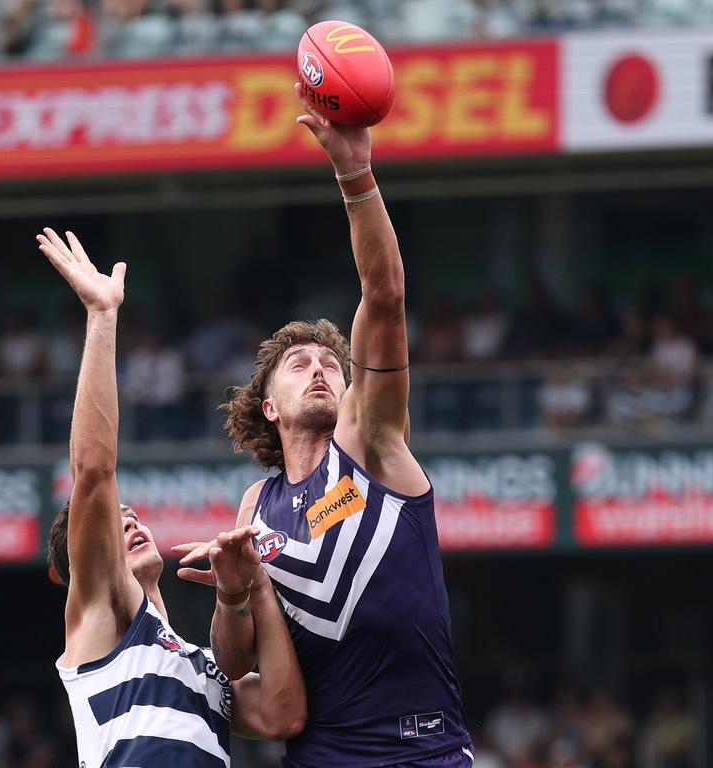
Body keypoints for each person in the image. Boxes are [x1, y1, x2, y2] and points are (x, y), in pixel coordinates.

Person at [179, 85, 473, 766]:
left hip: (421, 752)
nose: (320, 371)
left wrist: (355, 172)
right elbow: (239, 660)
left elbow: (386, 296)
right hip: (322, 755)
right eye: (298, 364)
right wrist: (232, 590)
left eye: (332, 365)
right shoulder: (258, 508)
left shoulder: (371, 444)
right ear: (270, 406)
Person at [35, 227, 306, 767]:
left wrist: (255, 588)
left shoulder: (202, 667)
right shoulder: (100, 616)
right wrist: (103, 318)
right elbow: (93, 470)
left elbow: (283, 716)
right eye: (115, 523)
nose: (130, 522)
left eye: (133, 515)